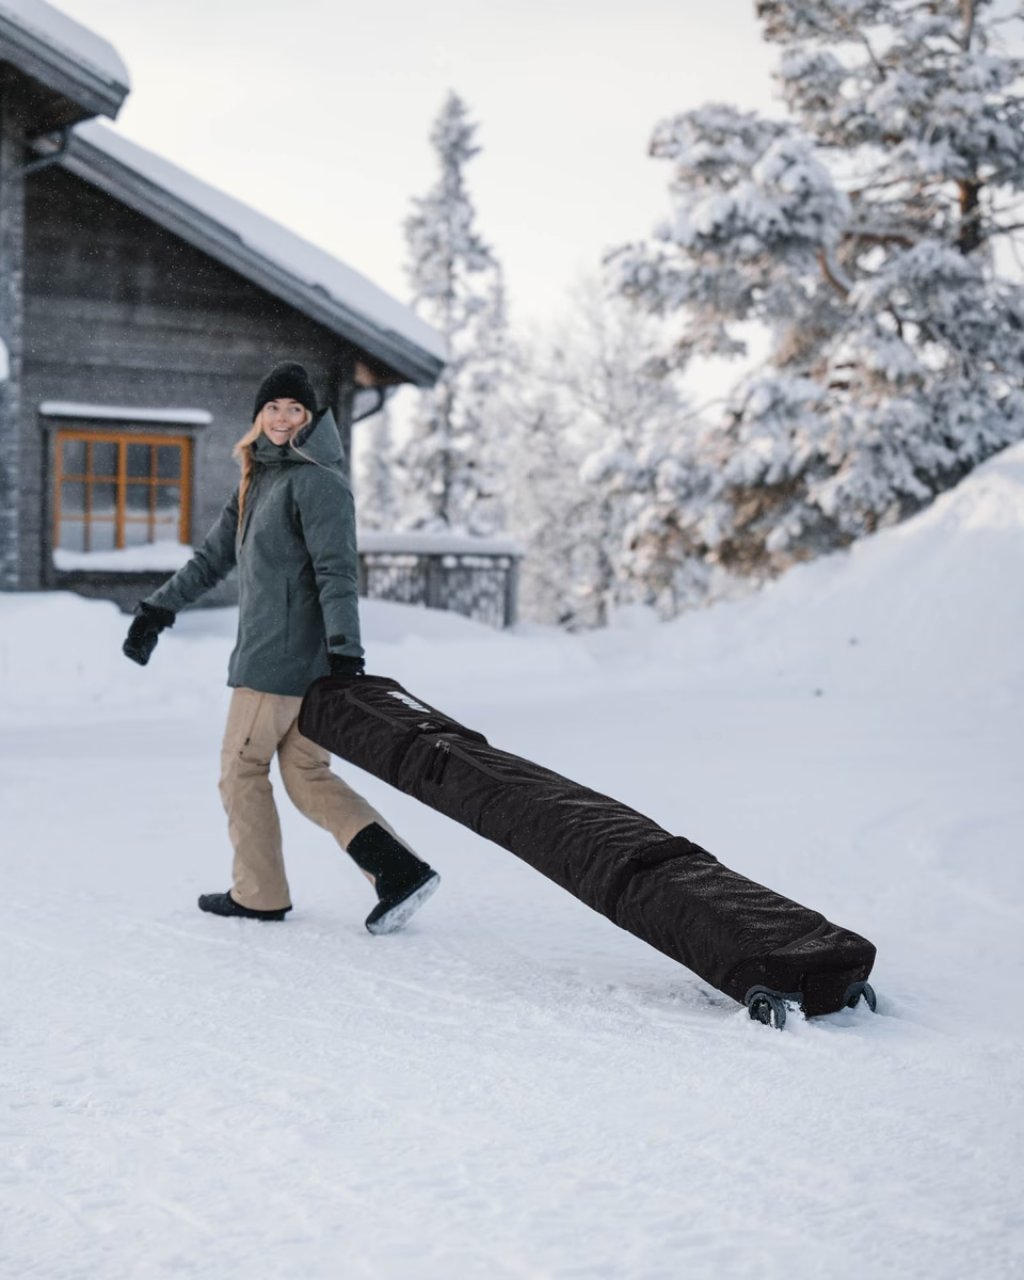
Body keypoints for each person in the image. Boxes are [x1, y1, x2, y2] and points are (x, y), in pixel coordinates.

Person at [122, 360, 440, 934]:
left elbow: (337, 572)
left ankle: (259, 893)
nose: (283, 418)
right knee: (305, 774)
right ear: (259, 414)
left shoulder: (316, 480)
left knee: (240, 770)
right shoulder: (259, 478)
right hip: (293, 663)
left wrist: (347, 655)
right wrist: (157, 610)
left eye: (295, 409)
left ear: (311, 417)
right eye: (273, 407)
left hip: (278, 663)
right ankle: (398, 871)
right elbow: (211, 559)